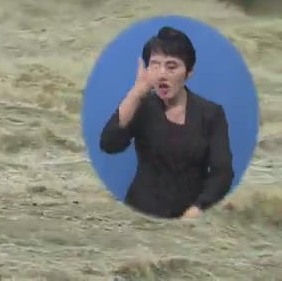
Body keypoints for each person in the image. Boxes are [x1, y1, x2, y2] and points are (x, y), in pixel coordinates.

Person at [98, 25, 234, 219]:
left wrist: (198, 208)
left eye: (171, 67)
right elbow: (109, 144)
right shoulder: (140, 106)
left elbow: (223, 173)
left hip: (190, 217)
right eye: (155, 65)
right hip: (140, 214)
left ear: (188, 72)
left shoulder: (211, 113)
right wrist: (137, 92)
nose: (162, 74)